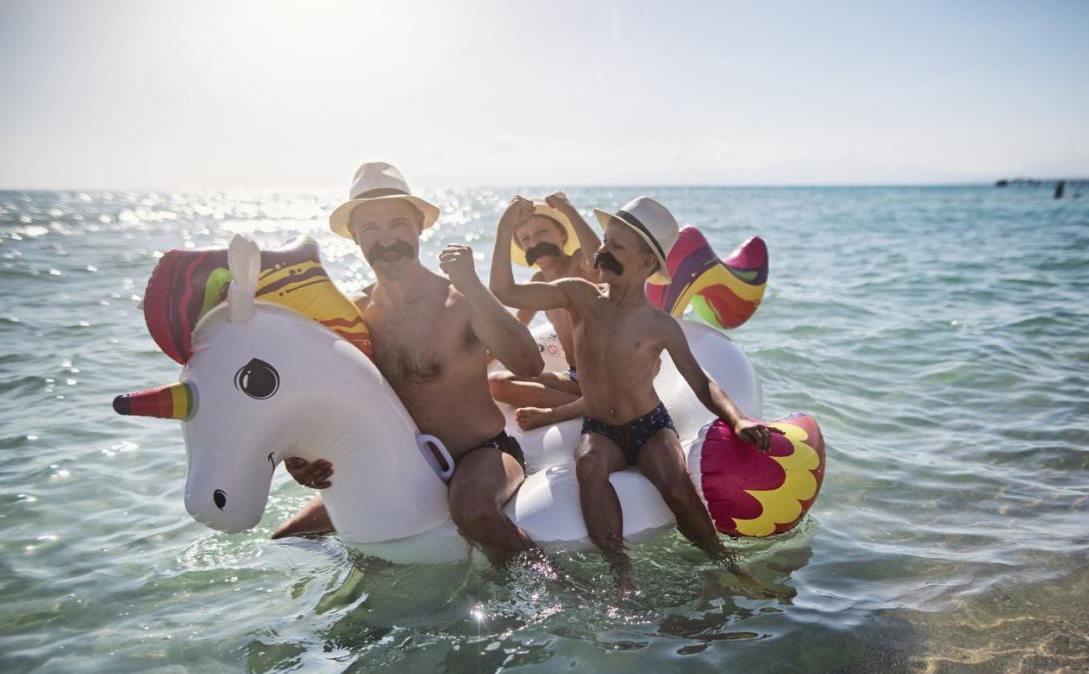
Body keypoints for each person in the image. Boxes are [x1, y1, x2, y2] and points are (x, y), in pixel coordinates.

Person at [489, 195, 780, 589]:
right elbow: (505, 291)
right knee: (589, 463)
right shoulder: (580, 295)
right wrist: (506, 225)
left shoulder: (659, 325)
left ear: (646, 264)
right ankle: (620, 569)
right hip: (600, 428)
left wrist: (738, 419)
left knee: (675, 483)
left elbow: (701, 381)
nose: (603, 251)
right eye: (605, 242)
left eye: (616, 246)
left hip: (650, 426)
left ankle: (723, 560)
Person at [272, 162, 544, 561]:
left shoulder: (460, 299)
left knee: (472, 512)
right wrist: (300, 460)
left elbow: (530, 364)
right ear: (354, 237)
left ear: (419, 224)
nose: (386, 240)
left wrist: (474, 286)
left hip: (481, 454)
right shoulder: (353, 317)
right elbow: (320, 400)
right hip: (397, 465)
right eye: (371, 229)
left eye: (397, 224)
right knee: (288, 535)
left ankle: (553, 591)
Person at [487, 193, 600, 430]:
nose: (534, 243)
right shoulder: (538, 280)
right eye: (525, 239)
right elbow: (513, 328)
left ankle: (568, 410)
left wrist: (568, 210)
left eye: (542, 233)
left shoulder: (579, 263)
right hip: (576, 376)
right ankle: (591, 406)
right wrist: (475, 364)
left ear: (562, 234)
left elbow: (600, 262)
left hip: (606, 372)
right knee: (497, 383)